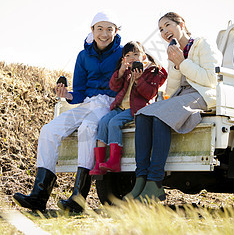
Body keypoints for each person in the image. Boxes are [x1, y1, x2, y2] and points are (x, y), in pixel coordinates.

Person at [13, 11, 123, 212]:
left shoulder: (122, 53)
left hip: (108, 103)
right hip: (87, 103)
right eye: (100, 29)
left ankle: (77, 199)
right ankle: (39, 195)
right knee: (48, 130)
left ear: (116, 31)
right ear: (92, 30)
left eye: (110, 29)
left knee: (87, 129)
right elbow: (79, 92)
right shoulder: (83, 56)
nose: (104, 34)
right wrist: (66, 94)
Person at [124, 12, 222, 202]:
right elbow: (173, 89)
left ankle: (155, 183)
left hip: (201, 94)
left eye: (167, 25)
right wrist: (170, 69)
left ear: (181, 24)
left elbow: (211, 80)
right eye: (161, 30)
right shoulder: (173, 52)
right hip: (181, 96)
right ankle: (141, 180)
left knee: (162, 115)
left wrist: (182, 63)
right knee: (144, 114)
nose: (164, 31)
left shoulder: (203, 44)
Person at [89, 41, 167, 176]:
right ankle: (99, 162)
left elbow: (150, 94)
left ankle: (114, 161)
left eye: (136, 54)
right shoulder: (126, 71)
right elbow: (114, 87)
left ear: (143, 56)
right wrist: (120, 71)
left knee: (114, 123)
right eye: (128, 55)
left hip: (137, 109)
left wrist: (139, 80)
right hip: (120, 107)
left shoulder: (153, 71)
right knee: (102, 122)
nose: (132, 58)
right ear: (124, 58)